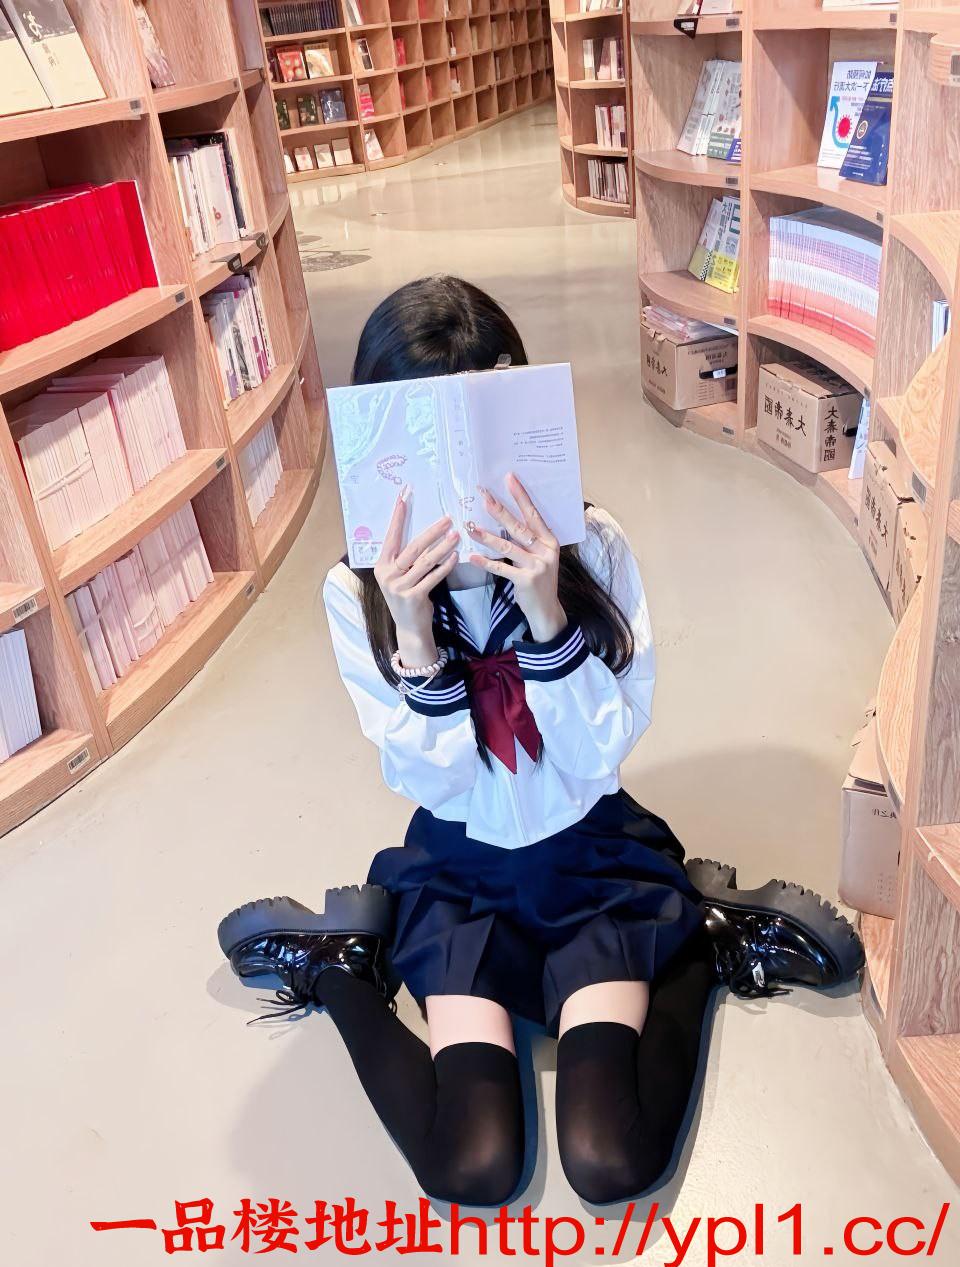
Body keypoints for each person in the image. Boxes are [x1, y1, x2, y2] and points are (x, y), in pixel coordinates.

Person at [217, 276, 864, 1207]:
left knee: (610, 1160)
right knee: (470, 1166)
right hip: (461, 877)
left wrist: (548, 612)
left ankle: (711, 940)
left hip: (591, 865)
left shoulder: (593, 547)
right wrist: (415, 637)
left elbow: (602, 753)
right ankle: (339, 969)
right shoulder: (355, 594)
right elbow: (432, 782)